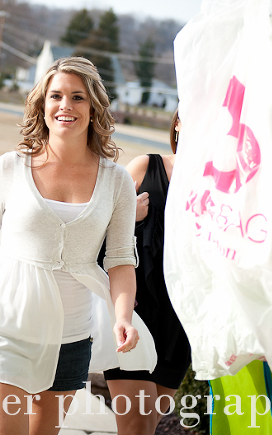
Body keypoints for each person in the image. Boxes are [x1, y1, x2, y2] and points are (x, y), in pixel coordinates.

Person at [0, 57, 156, 434]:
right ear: (42, 106)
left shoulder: (116, 182)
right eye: (56, 96)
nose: (66, 106)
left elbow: (120, 259)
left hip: (70, 336)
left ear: (93, 106)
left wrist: (123, 315)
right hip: (2, 326)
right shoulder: (10, 168)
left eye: (77, 97)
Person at [103, 110, 191, 435]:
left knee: (147, 426)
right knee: (137, 426)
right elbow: (99, 231)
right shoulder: (145, 166)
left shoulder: (220, 184)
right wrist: (132, 219)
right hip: (137, 315)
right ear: (178, 122)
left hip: (180, 323)